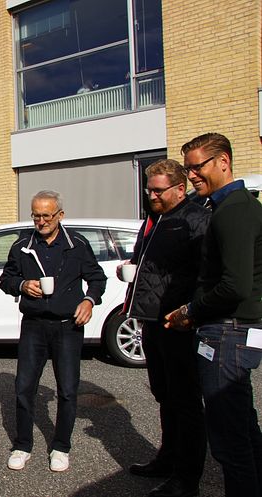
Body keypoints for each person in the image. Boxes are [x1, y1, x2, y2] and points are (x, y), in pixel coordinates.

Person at [165, 133, 262, 496]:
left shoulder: (234, 209)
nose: (191, 175)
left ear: (223, 161)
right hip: (230, 332)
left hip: (228, 334)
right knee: (242, 428)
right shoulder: (227, 206)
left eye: (197, 166)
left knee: (229, 442)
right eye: (188, 168)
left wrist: (191, 310)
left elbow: (235, 285)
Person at [0, 190, 106, 472]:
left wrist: (89, 300)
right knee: (23, 389)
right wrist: (21, 285)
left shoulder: (77, 245)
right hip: (33, 326)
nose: (41, 221)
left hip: (67, 327)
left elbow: (97, 278)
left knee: (68, 390)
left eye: (47, 215)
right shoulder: (22, 245)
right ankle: (22, 445)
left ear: (60, 215)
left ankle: (61, 446)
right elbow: (6, 279)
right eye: (36, 216)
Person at [121, 159, 209, 497]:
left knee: (186, 402)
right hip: (153, 320)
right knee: (164, 396)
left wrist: (189, 311)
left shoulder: (195, 219)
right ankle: (168, 458)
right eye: (149, 189)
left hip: (179, 324)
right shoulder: (155, 219)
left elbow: (204, 273)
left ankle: (187, 480)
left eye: (158, 190)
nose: (152, 195)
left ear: (179, 188)